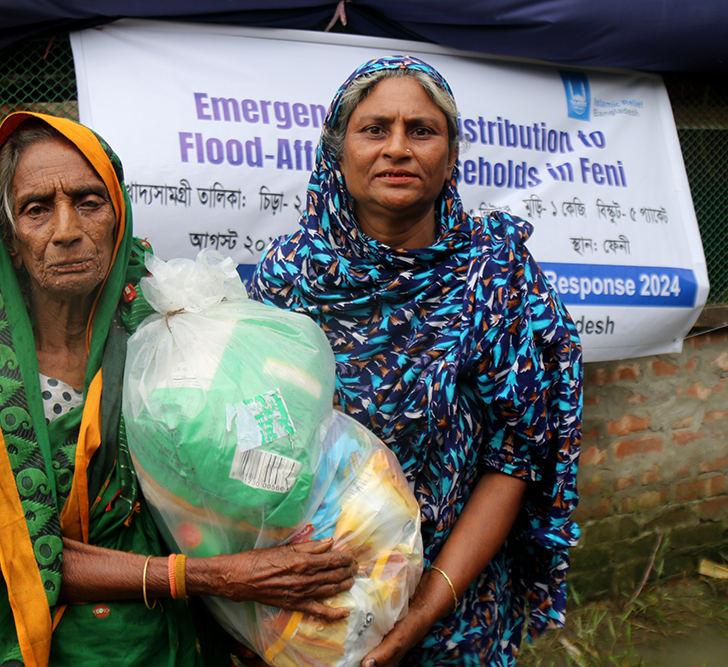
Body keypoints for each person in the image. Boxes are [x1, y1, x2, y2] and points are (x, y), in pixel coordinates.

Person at [0, 112, 357, 667]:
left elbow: (230, 478)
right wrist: (218, 577)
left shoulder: (164, 328)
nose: (66, 229)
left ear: (118, 216)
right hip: (42, 648)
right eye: (37, 209)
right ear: (11, 239)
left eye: (89, 201)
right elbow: (11, 555)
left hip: (176, 643)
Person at [250, 56, 583, 667]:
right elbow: (254, 437)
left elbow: (515, 456)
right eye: (374, 129)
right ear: (337, 149)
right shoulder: (289, 278)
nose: (397, 148)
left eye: (421, 130)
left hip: (458, 603)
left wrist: (426, 605)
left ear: (451, 155)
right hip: (319, 601)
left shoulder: (496, 274)